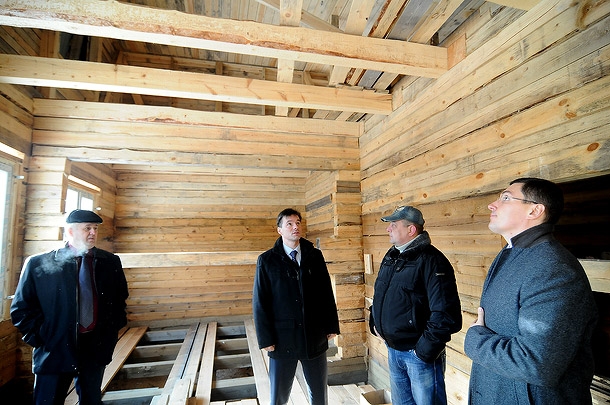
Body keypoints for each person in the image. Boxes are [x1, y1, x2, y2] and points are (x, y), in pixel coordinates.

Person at [464, 177, 598, 404]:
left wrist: (475, 340)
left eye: (506, 198)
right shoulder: (514, 254)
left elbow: (536, 363)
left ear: (535, 210)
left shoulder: (553, 269)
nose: (492, 205)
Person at [11, 209, 129, 405]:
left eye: (95, 228)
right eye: (87, 228)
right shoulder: (39, 263)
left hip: (94, 348)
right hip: (55, 349)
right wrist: (43, 338)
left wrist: (109, 334)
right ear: (71, 231)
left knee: (91, 401)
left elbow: (119, 299)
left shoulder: (109, 262)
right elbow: (21, 309)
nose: (93, 233)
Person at [369, 205, 462, 405]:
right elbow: (380, 294)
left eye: (394, 225)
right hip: (393, 350)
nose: (388, 229)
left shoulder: (432, 260)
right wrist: (374, 322)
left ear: (411, 229)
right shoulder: (392, 256)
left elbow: (446, 313)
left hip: (417, 355)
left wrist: (423, 352)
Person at [252, 208, 340, 405]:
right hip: (282, 339)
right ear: (279, 230)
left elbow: (326, 292)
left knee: (319, 394)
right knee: (279, 396)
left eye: (298, 223)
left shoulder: (314, 256)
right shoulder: (267, 261)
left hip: (313, 335)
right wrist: (265, 339)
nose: (295, 227)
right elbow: (260, 302)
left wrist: (331, 325)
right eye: (289, 224)